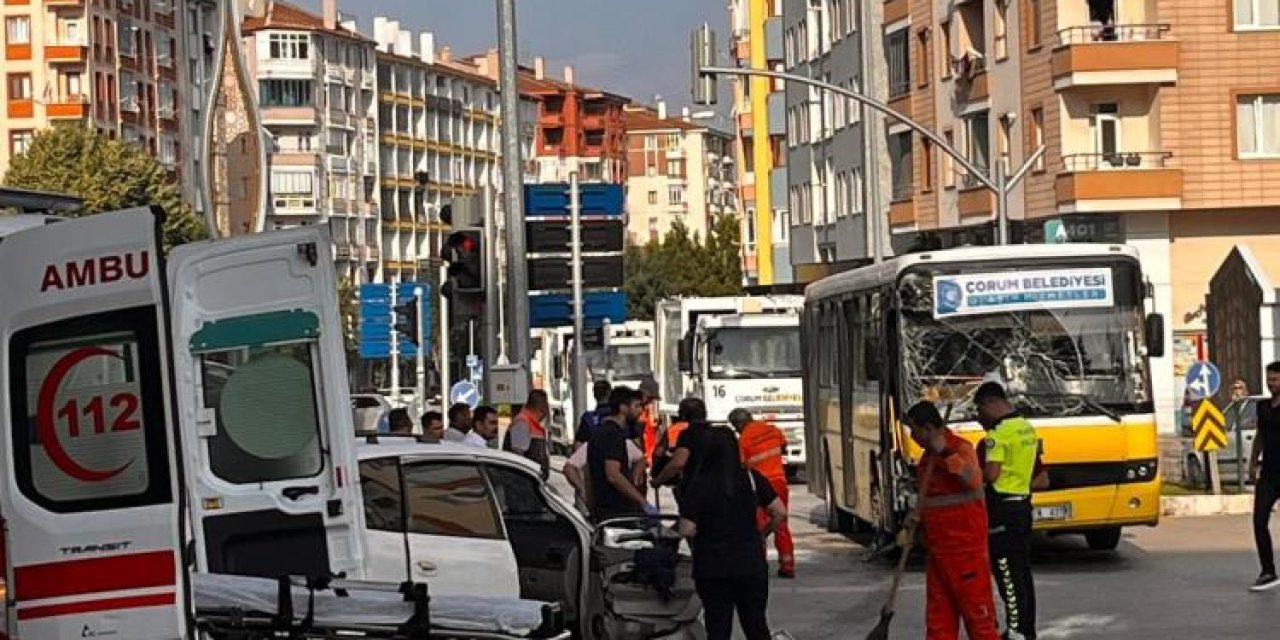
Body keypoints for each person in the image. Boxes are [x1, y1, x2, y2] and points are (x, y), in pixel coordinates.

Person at [677, 428, 786, 640]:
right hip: (750, 562)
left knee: (717, 628)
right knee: (756, 626)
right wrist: (761, 535)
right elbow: (780, 512)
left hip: (712, 566)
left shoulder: (699, 484)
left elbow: (687, 529)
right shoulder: (752, 478)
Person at [905, 401, 999, 640]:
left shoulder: (960, 448)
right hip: (938, 552)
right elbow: (931, 500)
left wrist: (946, 452)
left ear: (927, 428)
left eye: (914, 431)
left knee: (979, 621)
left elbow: (973, 480)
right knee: (939, 624)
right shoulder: (926, 461)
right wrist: (915, 523)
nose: (913, 437)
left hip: (965, 552)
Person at [974, 381, 1038, 640]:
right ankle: (1026, 628)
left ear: (990, 403)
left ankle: (1015, 632)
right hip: (1023, 504)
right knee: (1022, 572)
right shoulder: (1026, 428)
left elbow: (992, 473)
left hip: (1002, 509)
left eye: (980, 411)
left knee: (1006, 574)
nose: (980, 419)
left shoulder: (997, 435)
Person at [729, 408, 795, 578]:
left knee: (760, 526)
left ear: (739, 423)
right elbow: (783, 449)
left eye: (735, 427)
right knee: (781, 524)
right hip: (779, 481)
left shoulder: (743, 440)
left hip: (759, 486)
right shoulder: (774, 430)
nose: (736, 430)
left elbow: (742, 465)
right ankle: (787, 565)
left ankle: (760, 564)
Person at [586, 386, 656, 523]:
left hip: (604, 509)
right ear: (623, 408)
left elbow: (588, 472)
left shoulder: (601, 432)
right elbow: (613, 475)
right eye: (636, 406)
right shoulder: (612, 435)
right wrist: (642, 502)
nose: (640, 411)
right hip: (616, 511)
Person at [1248, 362, 1280, 591]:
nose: (1272, 384)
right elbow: (1260, 436)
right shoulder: (1263, 407)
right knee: (1259, 521)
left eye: (1276, 379)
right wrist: (1252, 462)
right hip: (1269, 474)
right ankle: (1268, 571)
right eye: (1269, 379)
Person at [564, 426, 646, 515]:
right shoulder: (592, 445)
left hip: (624, 504)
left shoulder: (626, 444)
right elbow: (569, 468)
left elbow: (641, 459)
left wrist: (635, 479)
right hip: (603, 505)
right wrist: (582, 489)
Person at [650, 398, 712, 505]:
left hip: (687, 482)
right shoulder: (716, 433)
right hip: (712, 484)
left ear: (683, 414)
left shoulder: (676, 430)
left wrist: (657, 478)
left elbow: (659, 454)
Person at [505, 390, 552, 478]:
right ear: (543, 408)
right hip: (524, 482)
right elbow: (518, 459)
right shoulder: (522, 423)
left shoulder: (530, 423)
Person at [574, 380, 613, 451]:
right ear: (610, 393)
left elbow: (578, 446)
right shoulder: (621, 415)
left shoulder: (588, 418)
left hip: (594, 459)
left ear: (594, 395)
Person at [638, 376, 662, 462]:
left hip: (647, 458)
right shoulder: (637, 413)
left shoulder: (648, 410)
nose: (651, 402)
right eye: (650, 399)